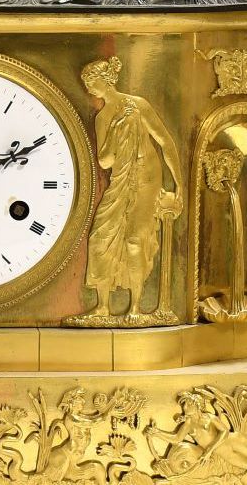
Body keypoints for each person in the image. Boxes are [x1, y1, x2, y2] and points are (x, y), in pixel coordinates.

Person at [79, 56, 183, 322]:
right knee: (100, 239)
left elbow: (165, 142)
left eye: (91, 81)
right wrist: (115, 129)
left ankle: (135, 307)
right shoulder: (103, 118)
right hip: (119, 181)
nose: (88, 87)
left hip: (146, 179)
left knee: (134, 241)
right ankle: (103, 307)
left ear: (105, 80)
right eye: (86, 83)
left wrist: (178, 183)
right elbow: (105, 161)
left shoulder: (138, 105)